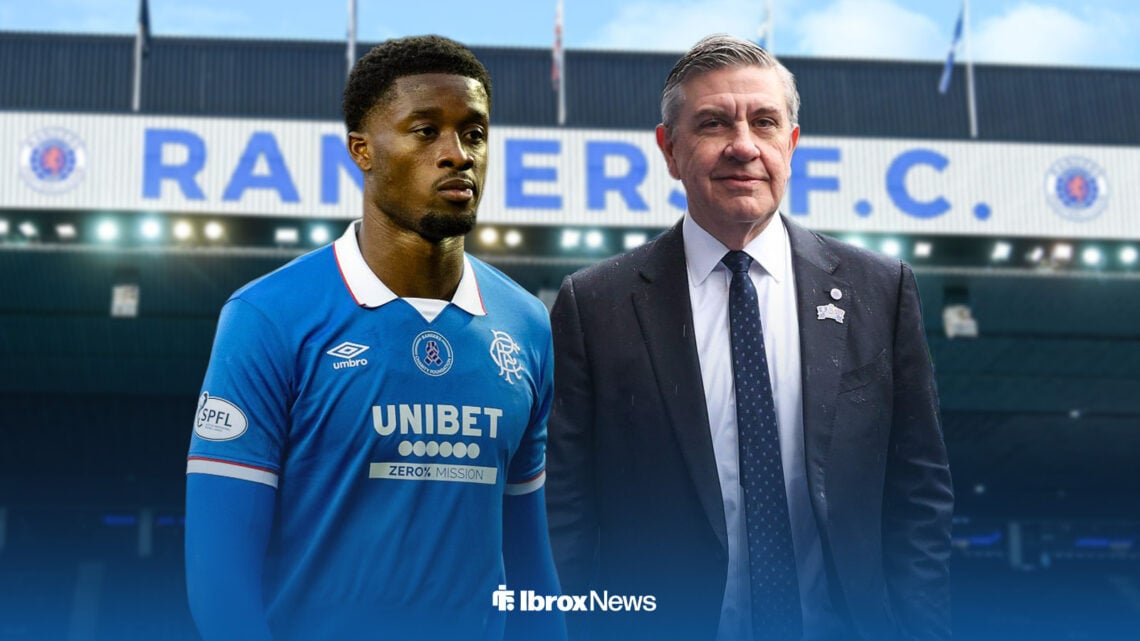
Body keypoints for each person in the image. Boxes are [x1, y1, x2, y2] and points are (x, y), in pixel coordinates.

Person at [546, 34, 953, 641]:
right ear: (670, 149)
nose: (743, 146)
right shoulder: (593, 304)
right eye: (713, 124)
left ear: (790, 144)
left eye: (765, 123)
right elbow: (567, 514)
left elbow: (918, 494)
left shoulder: (881, 288)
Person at [185, 35, 564, 641]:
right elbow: (219, 576)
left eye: (474, 132)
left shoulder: (526, 324)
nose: (457, 154)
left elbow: (530, 563)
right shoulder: (268, 316)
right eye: (424, 131)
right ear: (363, 150)